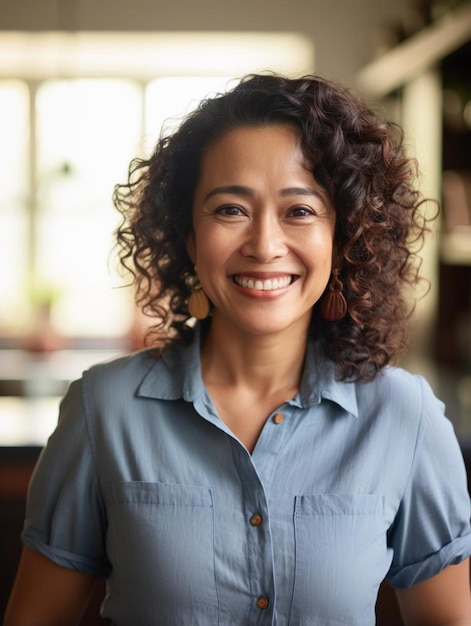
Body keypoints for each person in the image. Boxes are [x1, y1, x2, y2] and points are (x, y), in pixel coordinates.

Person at [4, 73, 471, 626]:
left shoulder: (404, 417)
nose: (265, 246)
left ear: (342, 239)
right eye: (231, 209)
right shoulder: (102, 410)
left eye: (299, 211)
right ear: (188, 238)